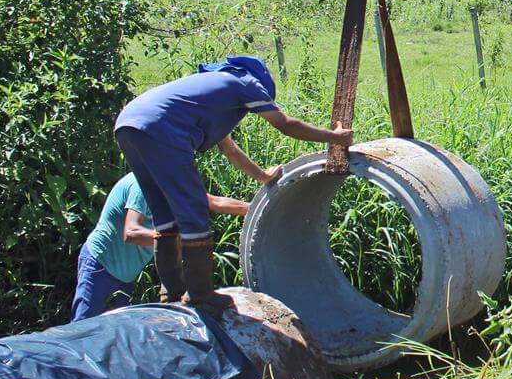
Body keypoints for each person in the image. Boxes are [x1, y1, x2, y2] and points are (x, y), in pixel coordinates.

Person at [114, 55, 352, 310]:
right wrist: (333, 137)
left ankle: (172, 293)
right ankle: (201, 295)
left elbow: (230, 150)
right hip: (161, 128)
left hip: (128, 125)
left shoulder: (211, 93)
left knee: (165, 214)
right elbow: (285, 124)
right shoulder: (246, 83)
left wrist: (264, 176)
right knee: (193, 211)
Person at [70, 173, 251, 321]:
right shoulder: (143, 185)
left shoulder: (174, 184)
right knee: (82, 327)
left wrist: (253, 208)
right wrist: (177, 241)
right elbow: (131, 233)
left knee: (114, 332)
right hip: (100, 264)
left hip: (126, 276)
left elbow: (214, 202)